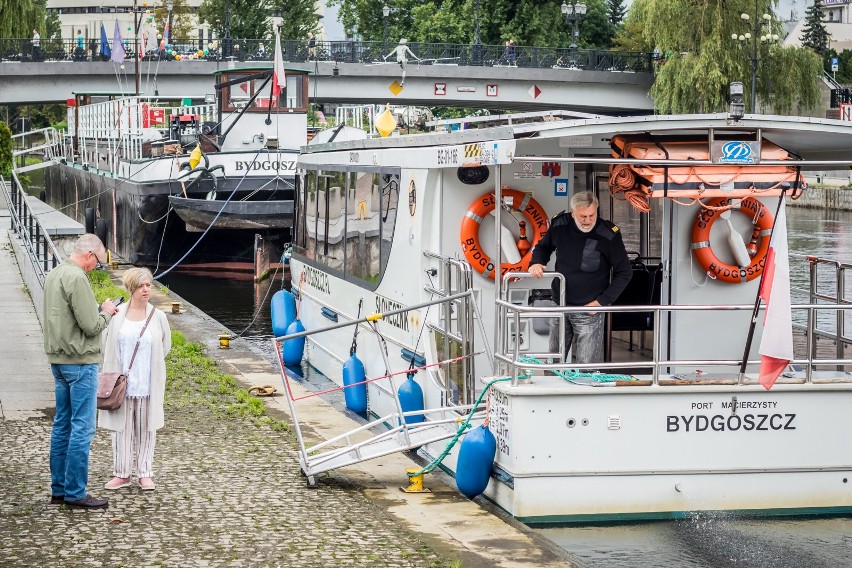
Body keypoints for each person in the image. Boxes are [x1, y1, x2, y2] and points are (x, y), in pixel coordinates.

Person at [44, 234, 118, 509]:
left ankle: (59, 490)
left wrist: (95, 310)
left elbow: (65, 315)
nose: (95, 267)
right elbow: (91, 326)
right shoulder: (77, 278)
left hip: (58, 360)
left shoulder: (55, 274)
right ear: (89, 255)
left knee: (62, 424)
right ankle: (76, 492)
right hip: (80, 361)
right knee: (82, 428)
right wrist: (108, 312)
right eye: (97, 263)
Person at [529, 191, 632, 364]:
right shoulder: (559, 225)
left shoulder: (608, 234)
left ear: (597, 210)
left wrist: (602, 302)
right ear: (572, 213)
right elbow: (543, 248)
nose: (588, 220)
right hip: (559, 304)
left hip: (589, 308)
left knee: (586, 367)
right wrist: (536, 262)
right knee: (553, 363)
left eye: (592, 215)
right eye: (583, 216)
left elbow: (625, 272)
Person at [99, 268, 171, 492]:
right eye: (141, 286)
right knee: (122, 430)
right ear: (131, 288)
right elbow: (105, 344)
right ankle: (121, 473)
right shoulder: (117, 315)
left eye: (149, 285)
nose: (146, 289)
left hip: (148, 383)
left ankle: (145, 473)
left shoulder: (158, 317)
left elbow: (165, 346)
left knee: (147, 430)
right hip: (121, 384)